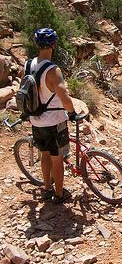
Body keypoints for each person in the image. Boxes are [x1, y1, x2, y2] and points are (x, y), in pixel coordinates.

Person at [26, 28, 76, 204]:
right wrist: (72, 113)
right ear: (54, 45)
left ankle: (47, 188)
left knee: (44, 154)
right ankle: (60, 193)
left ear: (37, 44)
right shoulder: (53, 70)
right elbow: (64, 97)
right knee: (57, 158)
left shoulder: (29, 64)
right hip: (54, 121)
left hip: (36, 120)